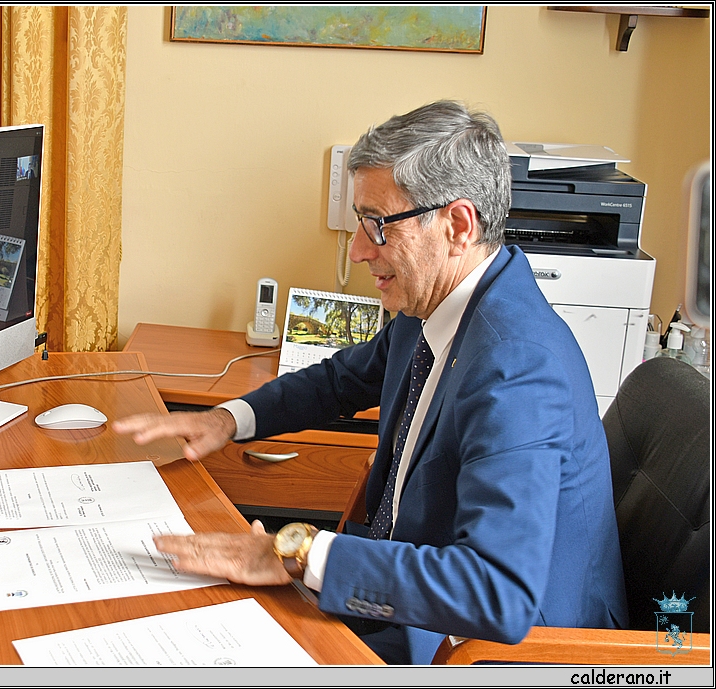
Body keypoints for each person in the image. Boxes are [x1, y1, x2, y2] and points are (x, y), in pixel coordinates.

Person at [114, 100, 628, 665]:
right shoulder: (432, 307)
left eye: (377, 225)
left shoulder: (517, 367)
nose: (359, 249)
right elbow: (341, 379)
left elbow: (496, 593)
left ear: (457, 226)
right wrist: (226, 419)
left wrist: (301, 551)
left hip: (504, 650)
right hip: (405, 591)